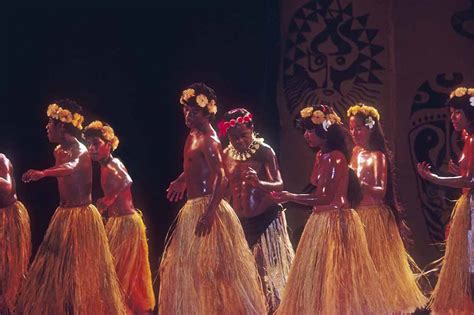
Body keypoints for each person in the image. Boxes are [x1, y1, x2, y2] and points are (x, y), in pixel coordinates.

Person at [160, 83, 267, 314]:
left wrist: (209, 213)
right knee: (191, 269)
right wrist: (182, 179)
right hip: (193, 207)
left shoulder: (210, 140)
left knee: (214, 270)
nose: (188, 115)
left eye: (194, 111)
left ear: (207, 112)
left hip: (207, 207)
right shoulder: (192, 135)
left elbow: (222, 178)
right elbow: (195, 168)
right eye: (186, 110)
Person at [271, 104, 388, 314]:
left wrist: (292, 196)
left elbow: (324, 196)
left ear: (324, 132)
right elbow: (316, 181)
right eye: (304, 130)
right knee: (321, 277)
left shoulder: (336, 157)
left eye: (310, 130)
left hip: (335, 220)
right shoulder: (323, 156)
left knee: (339, 277)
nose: (306, 135)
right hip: (321, 219)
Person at [18, 99, 127, 314]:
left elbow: (71, 167)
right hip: (63, 214)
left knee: (82, 270)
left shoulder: (82, 151)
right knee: (55, 266)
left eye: (50, 123)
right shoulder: (58, 150)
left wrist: (44, 173)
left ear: (62, 126)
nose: (46, 127)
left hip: (82, 216)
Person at [347, 103, 427, 313]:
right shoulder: (355, 152)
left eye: (359, 128)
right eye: (352, 128)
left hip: (374, 217)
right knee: (359, 269)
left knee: (378, 267)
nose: (354, 133)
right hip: (357, 216)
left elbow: (381, 191)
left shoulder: (378, 156)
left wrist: (361, 183)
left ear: (370, 128)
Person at [220, 108, 294, 312]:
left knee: (267, 273)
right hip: (239, 223)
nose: (240, 141)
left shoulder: (265, 151)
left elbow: (279, 185)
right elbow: (224, 189)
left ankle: (274, 310)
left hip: (265, 220)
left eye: (243, 135)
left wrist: (259, 183)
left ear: (251, 128)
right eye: (234, 138)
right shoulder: (225, 155)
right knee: (243, 274)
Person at [84, 120, 155, 314]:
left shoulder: (113, 163)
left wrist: (110, 198)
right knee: (117, 273)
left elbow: (127, 180)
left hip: (127, 224)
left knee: (126, 274)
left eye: (96, 143)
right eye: (89, 144)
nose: (91, 148)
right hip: (117, 223)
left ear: (109, 144)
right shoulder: (103, 166)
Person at [417, 87, 474, 313]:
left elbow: (470, 182)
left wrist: (435, 178)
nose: (452, 118)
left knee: (470, 268)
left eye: (457, 113)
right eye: (451, 113)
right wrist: (457, 171)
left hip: (472, 208)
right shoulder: (468, 139)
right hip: (468, 207)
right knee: (467, 268)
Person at [0, 154, 31, 314]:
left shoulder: (1, 160)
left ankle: (9, 307)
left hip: (7, 219)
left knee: (8, 271)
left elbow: (7, 188)